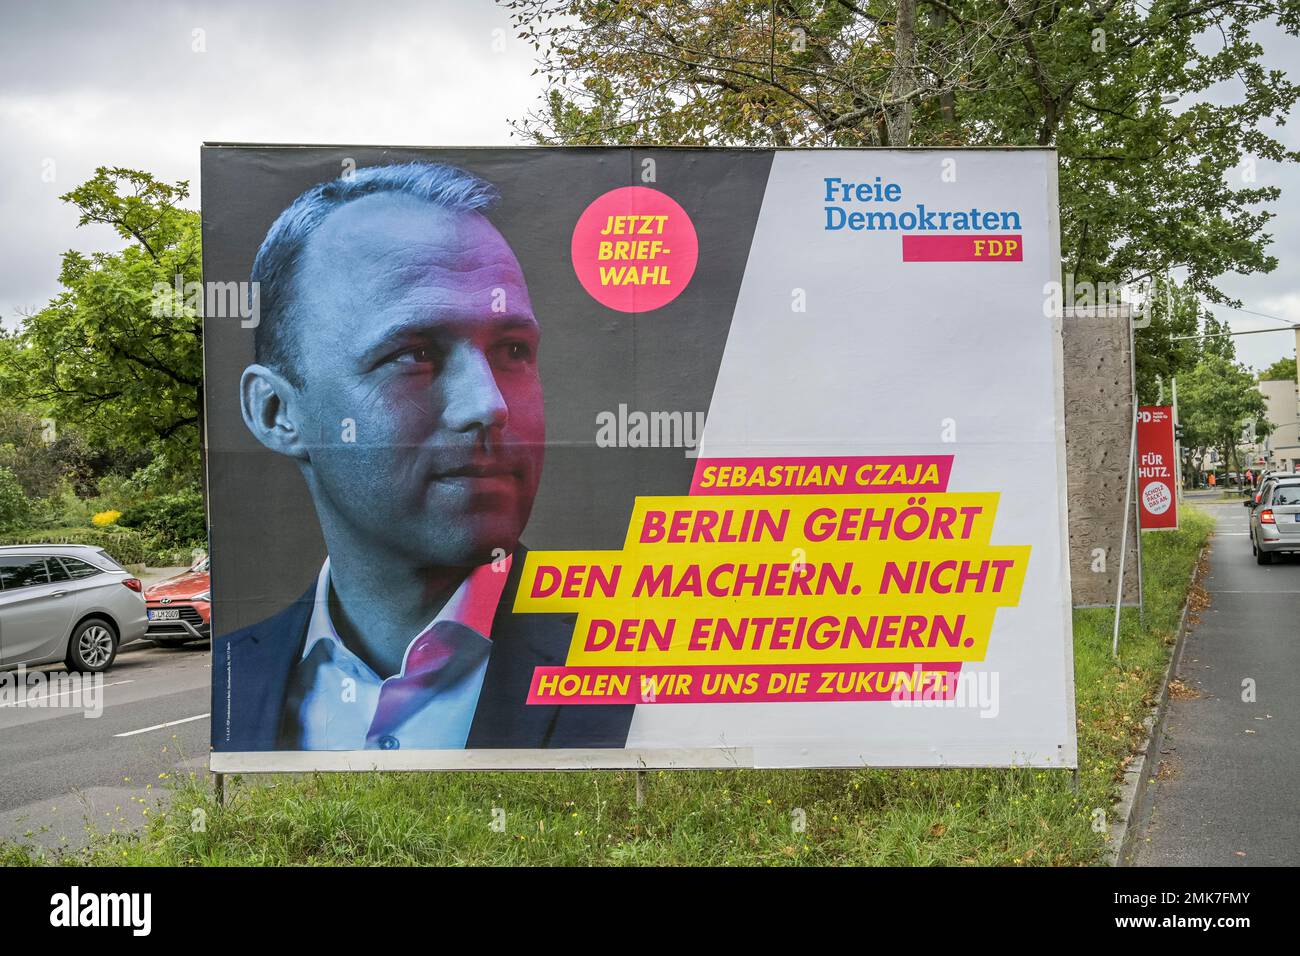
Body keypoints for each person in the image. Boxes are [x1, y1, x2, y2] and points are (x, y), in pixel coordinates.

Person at [212, 163, 633, 752]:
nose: (489, 406)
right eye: (414, 354)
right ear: (278, 411)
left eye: (513, 350)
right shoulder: (230, 677)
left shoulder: (638, 669)